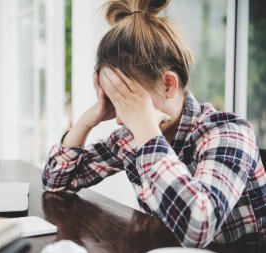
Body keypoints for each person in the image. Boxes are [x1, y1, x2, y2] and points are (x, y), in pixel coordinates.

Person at [42, 0, 266, 251]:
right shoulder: (131, 137)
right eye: (114, 100)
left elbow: (199, 226)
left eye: (128, 100)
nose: (119, 119)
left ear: (168, 85)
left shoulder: (228, 133)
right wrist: (87, 120)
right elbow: (56, 181)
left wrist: (147, 132)